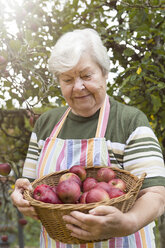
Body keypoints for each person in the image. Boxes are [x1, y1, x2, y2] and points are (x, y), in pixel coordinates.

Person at [11, 28, 165, 248]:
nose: (78, 87)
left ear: (104, 72)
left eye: (86, 75)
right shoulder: (45, 124)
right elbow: (30, 187)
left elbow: (156, 195)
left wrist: (127, 222)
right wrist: (21, 196)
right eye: (67, 79)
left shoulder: (129, 121)